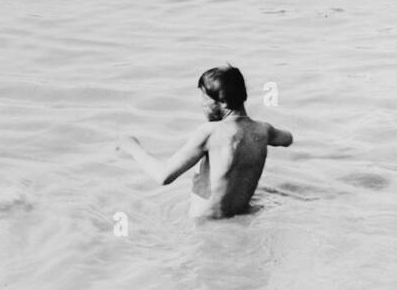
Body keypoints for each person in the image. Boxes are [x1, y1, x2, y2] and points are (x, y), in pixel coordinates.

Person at [121, 65, 293, 219]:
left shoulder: (210, 132)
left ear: (223, 101)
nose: (201, 104)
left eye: (204, 98)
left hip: (206, 228)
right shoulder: (263, 131)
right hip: (240, 221)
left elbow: (163, 176)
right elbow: (287, 139)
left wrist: (133, 147)